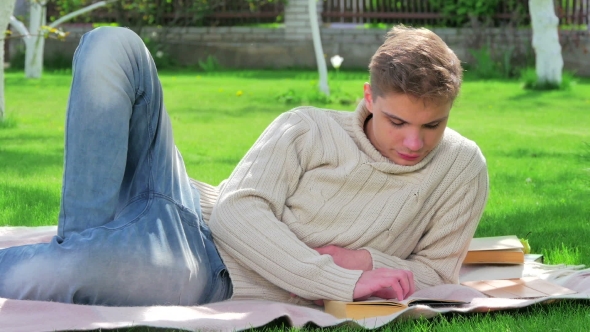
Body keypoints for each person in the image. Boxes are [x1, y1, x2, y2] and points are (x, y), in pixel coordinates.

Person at [0, 25, 488, 307]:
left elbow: (437, 275)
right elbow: (236, 213)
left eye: (433, 126)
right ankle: (80, 241)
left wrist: (363, 262)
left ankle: (79, 249)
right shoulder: (307, 126)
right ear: (369, 97)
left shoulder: (461, 168)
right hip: (183, 201)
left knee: (55, 275)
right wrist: (335, 276)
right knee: (111, 45)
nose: (413, 141)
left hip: (203, 268)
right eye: (398, 121)